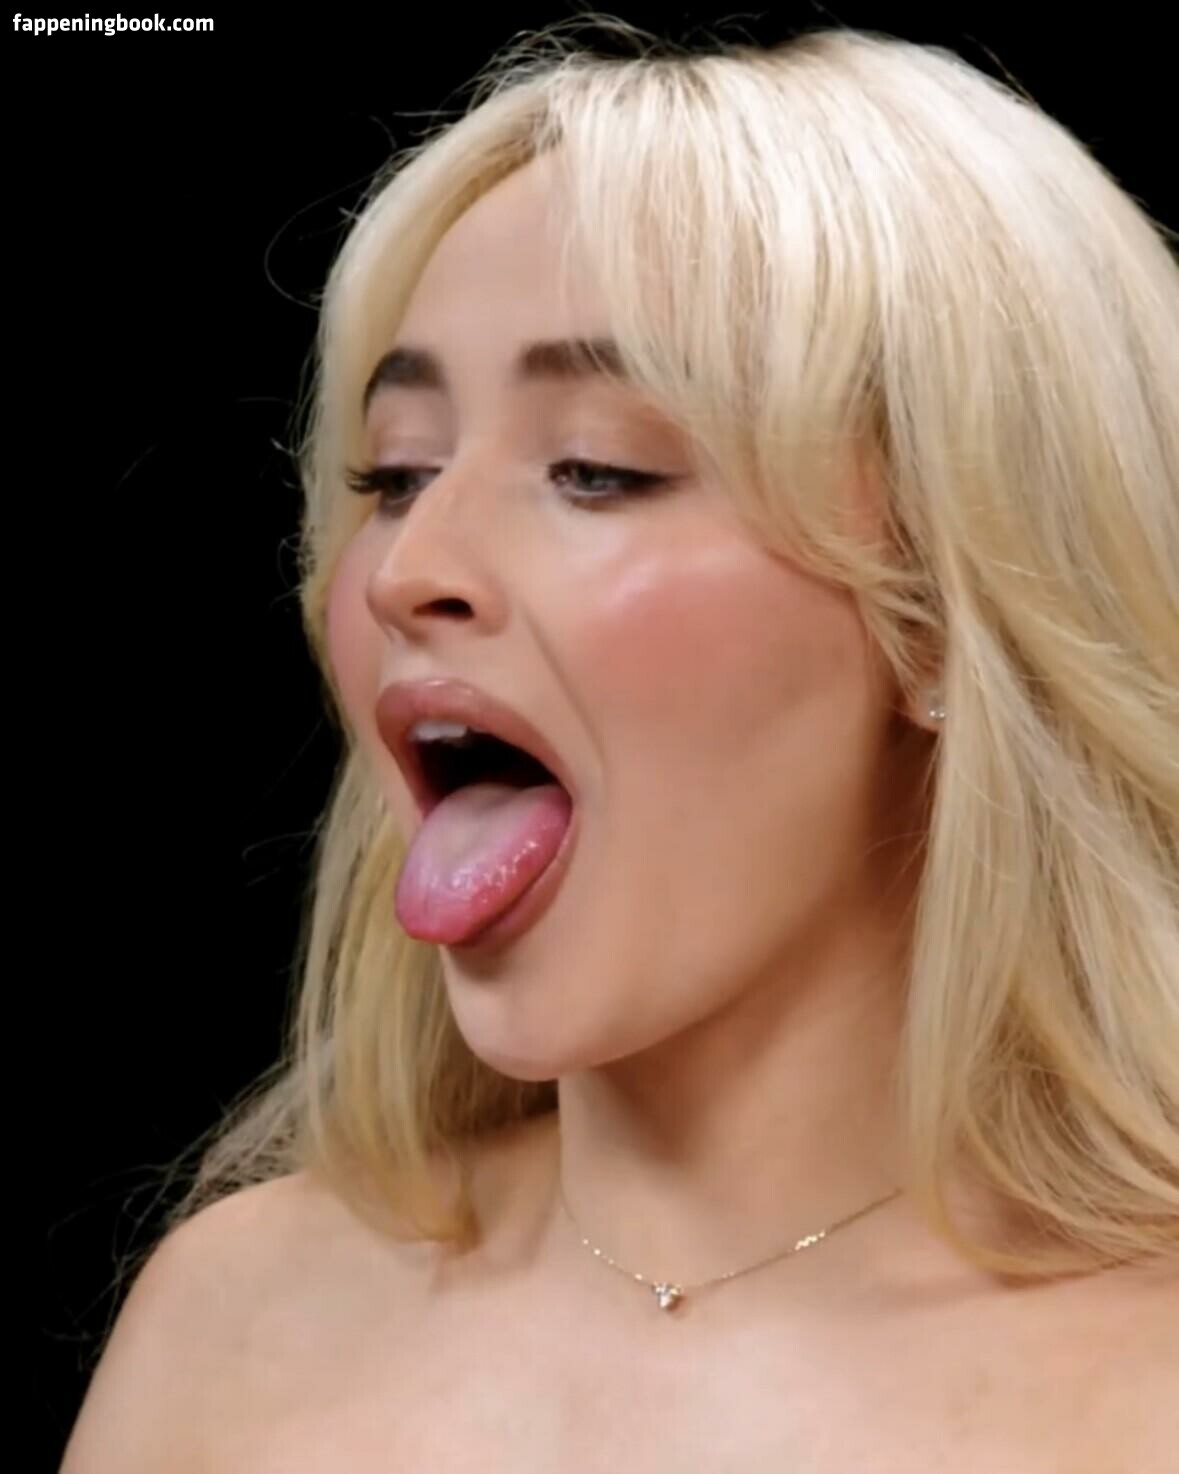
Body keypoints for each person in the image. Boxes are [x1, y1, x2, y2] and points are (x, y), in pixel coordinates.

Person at [63, 18, 1178, 1471]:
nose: (407, 570)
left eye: (595, 467)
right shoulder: (231, 1327)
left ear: (944, 619)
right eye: (396, 475)